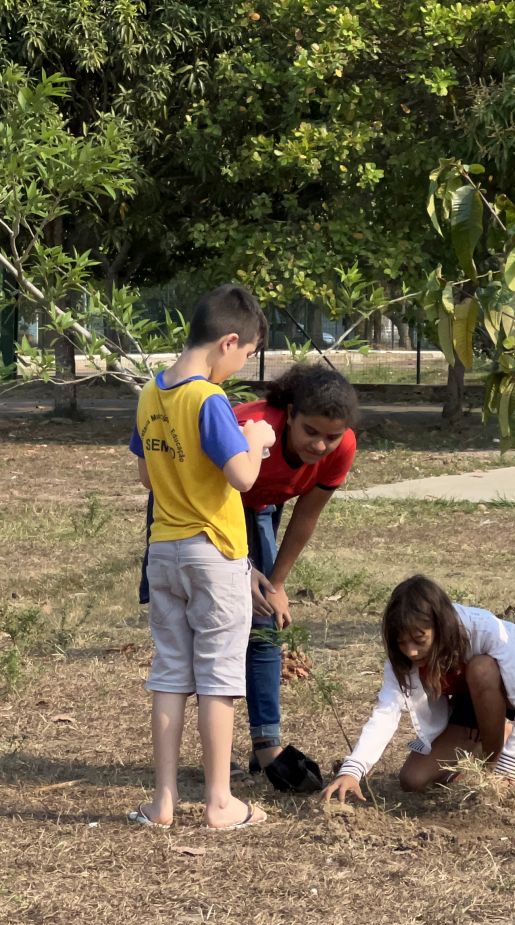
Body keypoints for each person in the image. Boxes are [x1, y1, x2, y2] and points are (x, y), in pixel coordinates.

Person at [129, 285, 277, 831]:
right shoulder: (208, 399)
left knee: (170, 673)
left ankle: (162, 801)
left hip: (163, 551)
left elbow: (146, 473)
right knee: (218, 677)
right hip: (214, 553)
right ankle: (220, 801)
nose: (238, 369)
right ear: (228, 342)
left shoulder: (151, 393)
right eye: (243, 356)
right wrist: (255, 439)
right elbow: (242, 478)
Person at [321, 576, 515, 802]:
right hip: (468, 702)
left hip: (507, 693)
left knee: (481, 668)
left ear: (441, 625)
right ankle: (499, 737)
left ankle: (498, 759)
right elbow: (386, 712)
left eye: (419, 639)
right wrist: (353, 770)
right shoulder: (402, 660)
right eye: (402, 642)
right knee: (413, 780)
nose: (411, 651)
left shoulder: (485, 630)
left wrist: (507, 767)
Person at [234, 363, 360, 794]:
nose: (321, 444)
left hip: (262, 503)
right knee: (230, 625)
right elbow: (203, 495)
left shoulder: (340, 447)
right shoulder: (250, 428)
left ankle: (263, 742)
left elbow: (308, 513)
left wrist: (277, 580)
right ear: (288, 415)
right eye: (310, 431)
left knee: (264, 617)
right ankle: (265, 745)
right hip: (205, 503)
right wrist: (241, 567)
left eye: (331, 436)